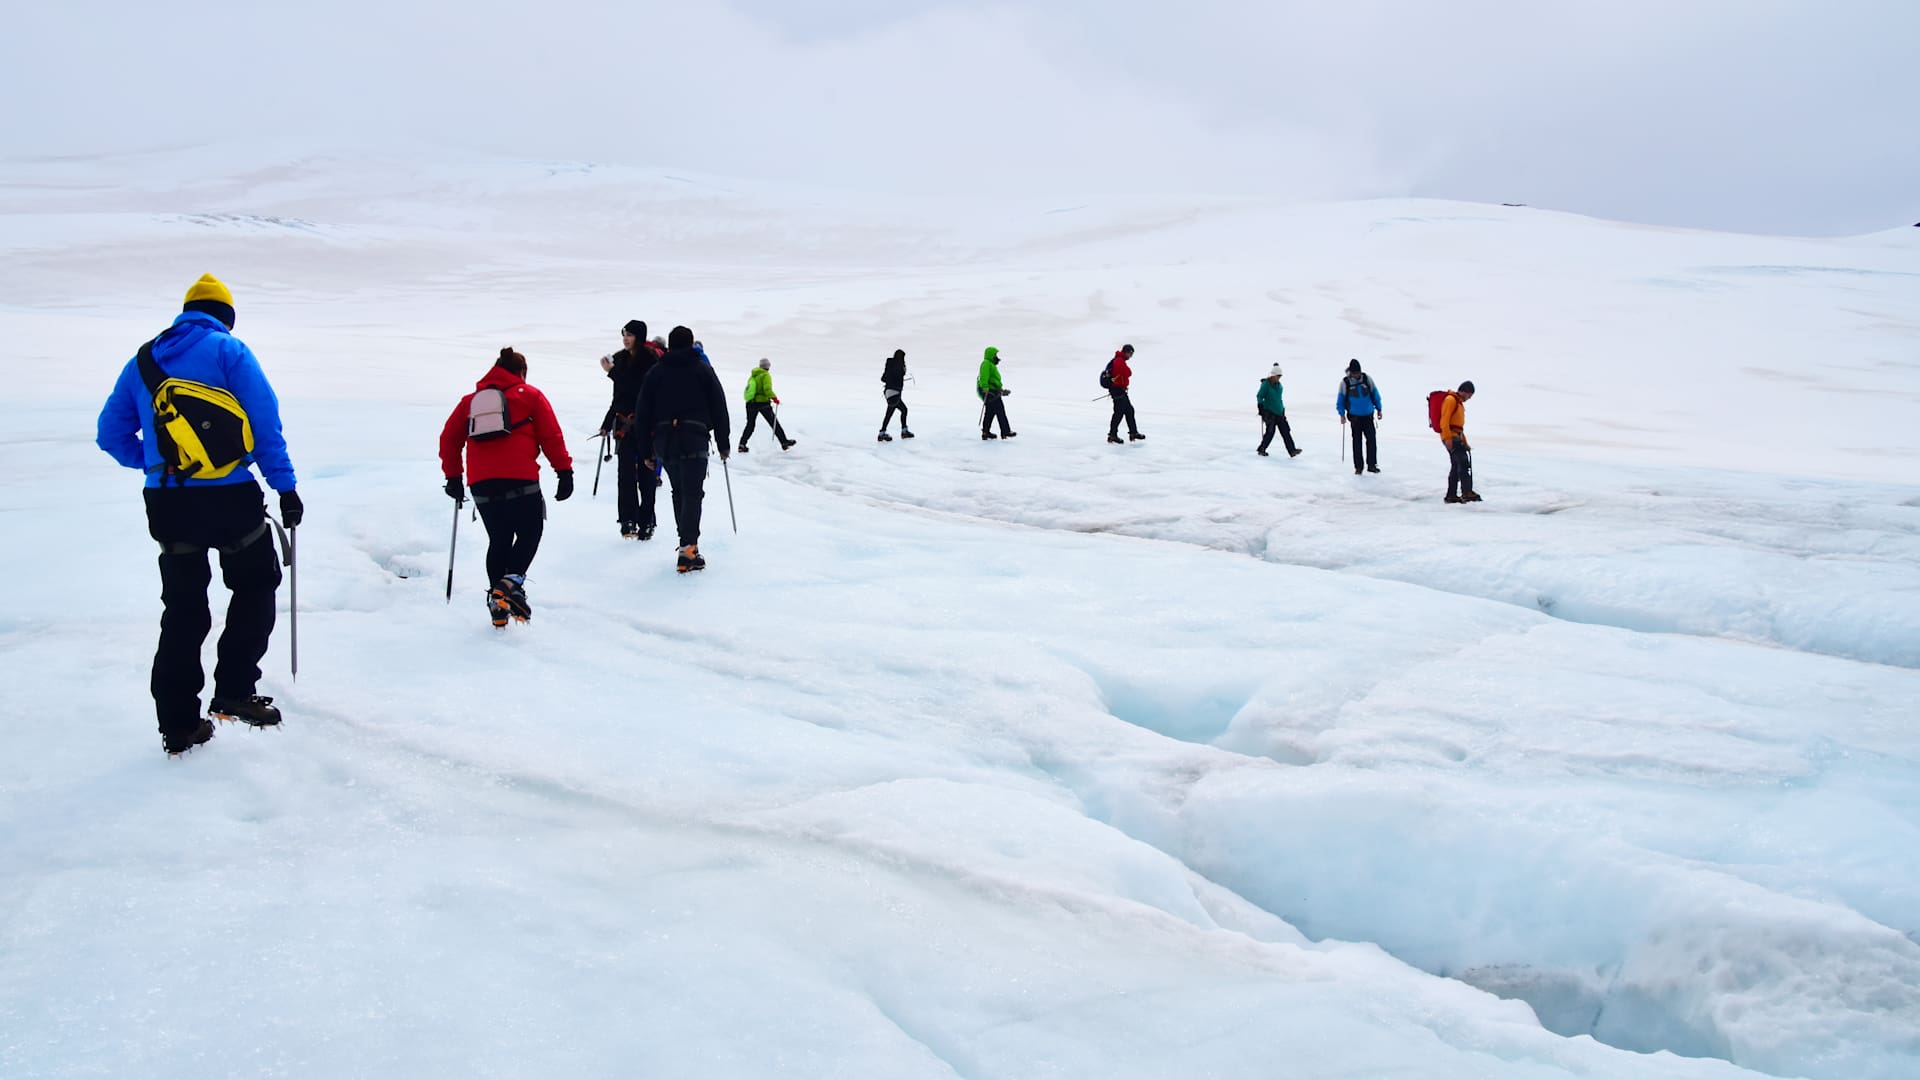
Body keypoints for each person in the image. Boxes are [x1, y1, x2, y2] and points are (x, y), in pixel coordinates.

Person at [96, 273, 302, 755]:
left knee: (183, 610)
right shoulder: (230, 352)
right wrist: (285, 486)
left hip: (167, 501)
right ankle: (233, 689)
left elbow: (111, 435)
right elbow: (266, 424)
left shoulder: (142, 360)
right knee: (254, 586)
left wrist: (156, 463)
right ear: (225, 317)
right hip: (230, 495)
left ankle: (179, 725)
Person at [439, 347, 574, 627]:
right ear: (521, 373)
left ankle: (497, 606)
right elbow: (551, 436)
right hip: (521, 478)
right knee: (530, 531)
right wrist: (563, 471)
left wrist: (453, 477)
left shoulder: (470, 402)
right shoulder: (531, 396)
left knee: (499, 539)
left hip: (482, 484)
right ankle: (509, 586)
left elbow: (448, 439)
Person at [635, 326, 732, 572]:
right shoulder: (703, 370)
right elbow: (719, 406)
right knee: (692, 493)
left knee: (679, 491)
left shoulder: (656, 372)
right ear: (691, 344)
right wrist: (723, 443)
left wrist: (645, 450)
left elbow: (643, 412)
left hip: (665, 440)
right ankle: (688, 548)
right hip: (695, 437)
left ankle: (686, 546)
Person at [599, 320, 662, 539]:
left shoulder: (650, 360)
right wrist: (607, 422)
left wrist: (611, 372)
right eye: (624, 334)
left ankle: (646, 521)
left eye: (630, 335)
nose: (626, 338)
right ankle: (627, 519)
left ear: (640, 336)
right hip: (624, 424)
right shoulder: (621, 359)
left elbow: (637, 387)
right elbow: (619, 396)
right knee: (625, 474)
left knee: (646, 474)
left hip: (646, 425)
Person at [1337, 358, 1383, 475]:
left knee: (1371, 440)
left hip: (1368, 416)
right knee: (1357, 442)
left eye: (1358, 372)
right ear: (1350, 372)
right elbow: (1340, 401)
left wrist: (1379, 409)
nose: (1357, 375)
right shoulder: (1345, 383)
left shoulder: (1367, 379)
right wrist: (1342, 414)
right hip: (1355, 418)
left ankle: (1371, 465)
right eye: (1354, 373)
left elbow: (1375, 394)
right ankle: (1358, 467)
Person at [738, 358, 794, 452]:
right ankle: (784, 442)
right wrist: (774, 398)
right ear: (768, 366)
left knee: (750, 425)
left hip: (750, 403)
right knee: (774, 423)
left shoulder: (753, 376)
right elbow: (767, 389)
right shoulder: (765, 375)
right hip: (762, 403)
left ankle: (742, 445)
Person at [1438, 380, 1479, 503]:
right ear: (1464, 391)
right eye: (1469, 395)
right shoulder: (1451, 400)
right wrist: (1447, 438)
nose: (1469, 398)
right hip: (1451, 436)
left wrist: (1465, 443)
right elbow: (1444, 421)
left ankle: (1451, 495)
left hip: (1456, 436)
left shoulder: (1458, 403)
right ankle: (1467, 492)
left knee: (1456, 465)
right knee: (1463, 462)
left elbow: (1459, 427)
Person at [1103, 344, 1145, 444]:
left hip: (1119, 390)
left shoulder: (1119, 360)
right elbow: (1127, 373)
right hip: (1117, 390)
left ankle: (1133, 432)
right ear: (1126, 352)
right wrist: (1128, 371)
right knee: (1119, 412)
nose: (1131, 356)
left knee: (1129, 410)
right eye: (1130, 354)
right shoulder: (1119, 361)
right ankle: (1113, 435)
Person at [1257, 364, 1301, 457]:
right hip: (1269, 413)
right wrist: (1260, 407)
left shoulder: (1279, 385)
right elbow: (1260, 396)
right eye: (1278, 376)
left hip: (1279, 412)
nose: (1279, 378)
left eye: (1280, 376)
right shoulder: (1266, 385)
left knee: (1286, 431)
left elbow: (1278, 399)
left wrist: (1282, 410)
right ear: (1273, 375)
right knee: (1270, 432)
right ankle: (1262, 449)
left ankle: (1292, 450)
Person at [978, 346, 1015, 439]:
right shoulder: (986, 364)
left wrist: (1001, 390)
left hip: (993, 391)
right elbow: (983, 377)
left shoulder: (991, 364)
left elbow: (994, 380)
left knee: (990, 412)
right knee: (1000, 411)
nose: (996, 356)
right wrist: (985, 388)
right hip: (990, 392)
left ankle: (986, 432)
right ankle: (1005, 431)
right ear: (990, 355)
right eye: (995, 354)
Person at [878, 348, 913, 441]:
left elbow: (883, 378)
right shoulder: (900, 365)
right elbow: (901, 374)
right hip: (895, 393)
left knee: (891, 412)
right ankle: (904, 432)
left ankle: (882, 433)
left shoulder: (889, 365)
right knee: (903, 410)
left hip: (888, 392)